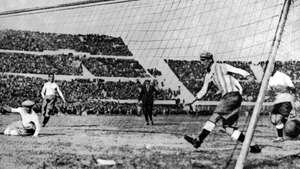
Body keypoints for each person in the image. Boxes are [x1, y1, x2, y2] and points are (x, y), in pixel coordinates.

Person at [184, 52, 261, 153]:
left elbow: (236, 70)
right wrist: (192, 101)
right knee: (228, 129)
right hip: (232, 97)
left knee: (215, 117)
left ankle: (198, 140)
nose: (202, 63)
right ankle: (253, 145)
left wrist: (247, 75)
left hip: (231, 95)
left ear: (210, 60)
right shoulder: (208, 75)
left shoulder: (221, 66)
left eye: (204, 60)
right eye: (201, 60)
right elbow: (203, 90)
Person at [251, 62, 297, 142]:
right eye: (264, 67)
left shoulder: (282, 76)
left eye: (268, 67)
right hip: (277, 101)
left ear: (273, 67)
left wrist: (284, 89)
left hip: (286, 99)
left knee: (276, 119)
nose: (265, 68)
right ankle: (287, 126)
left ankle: (281, 136)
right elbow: (268, 90)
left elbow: (293, 89)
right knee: (273, 120)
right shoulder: (267, 78)